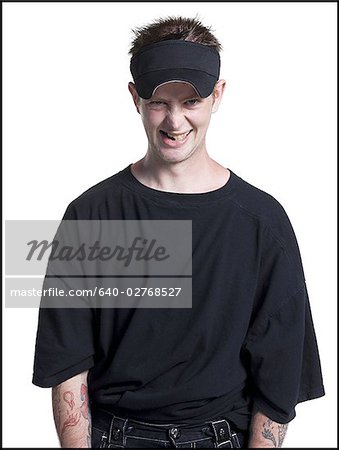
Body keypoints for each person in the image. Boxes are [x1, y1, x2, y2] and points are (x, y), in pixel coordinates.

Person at [32, 16, 325, 448]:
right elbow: (68, 365)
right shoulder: (92, 215)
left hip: (220, 437)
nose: (174, 121)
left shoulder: (262, 221)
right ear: (134, 97)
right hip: (115, 436)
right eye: (158, 102)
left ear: (217, 95)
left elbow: (278, 374)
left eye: (190, 101)